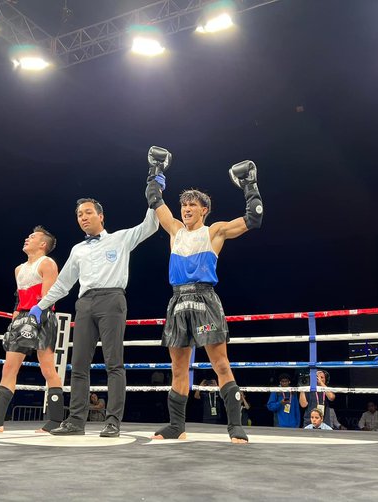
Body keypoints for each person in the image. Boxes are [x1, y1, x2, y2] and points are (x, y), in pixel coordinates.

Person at [148, 148, 263, 444]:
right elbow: (154, 200)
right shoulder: (174, 229)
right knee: (178, 368)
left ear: (204, 210)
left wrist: (250, 185)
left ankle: (235, 426)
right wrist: (156, 171)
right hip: (177, 301)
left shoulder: (215, 232)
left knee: (220, 364)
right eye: (184, 204)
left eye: (192, 205)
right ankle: (176, 426)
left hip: (204, 300)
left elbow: (254, 218)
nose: (186, 208)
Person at [29, 182, 160, 438]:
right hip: (85, 303)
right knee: (78, 365)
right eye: (79, 214)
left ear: (101, 216)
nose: (83, 217)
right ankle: (76, 421)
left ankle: (112, 422)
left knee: (114, 363)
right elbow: (63, 284)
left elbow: (150, 226)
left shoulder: (120, 238)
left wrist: (154, 196)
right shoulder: (77, 250)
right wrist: (40, 306)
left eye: (88, 212)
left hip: (112, 299)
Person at [0, 225, 65, 433]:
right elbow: (19, 299)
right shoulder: (19, 269)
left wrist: (35, 318)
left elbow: (49, 297)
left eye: (32, 236)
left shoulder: (47, 263)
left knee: (47, 369)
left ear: (43, 244)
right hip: (22, 317)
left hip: (43, 316)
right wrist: (14, 322)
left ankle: (56, 420)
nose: (27, 238)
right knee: (8, 368)